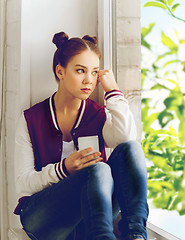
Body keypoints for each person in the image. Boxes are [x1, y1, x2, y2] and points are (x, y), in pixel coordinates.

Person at [13, 32, 149, 240]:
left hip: (90, 219)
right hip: (43, 220)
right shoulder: (32, 119)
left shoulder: (98, 114)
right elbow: (23, 183)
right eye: (80, 71)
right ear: (60, 71)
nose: (89, 80)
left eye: (95, 73)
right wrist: (64, 169)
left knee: (131, 149)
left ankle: (136, 234)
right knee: (99, 169)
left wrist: (113, 91)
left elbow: (126, 139)